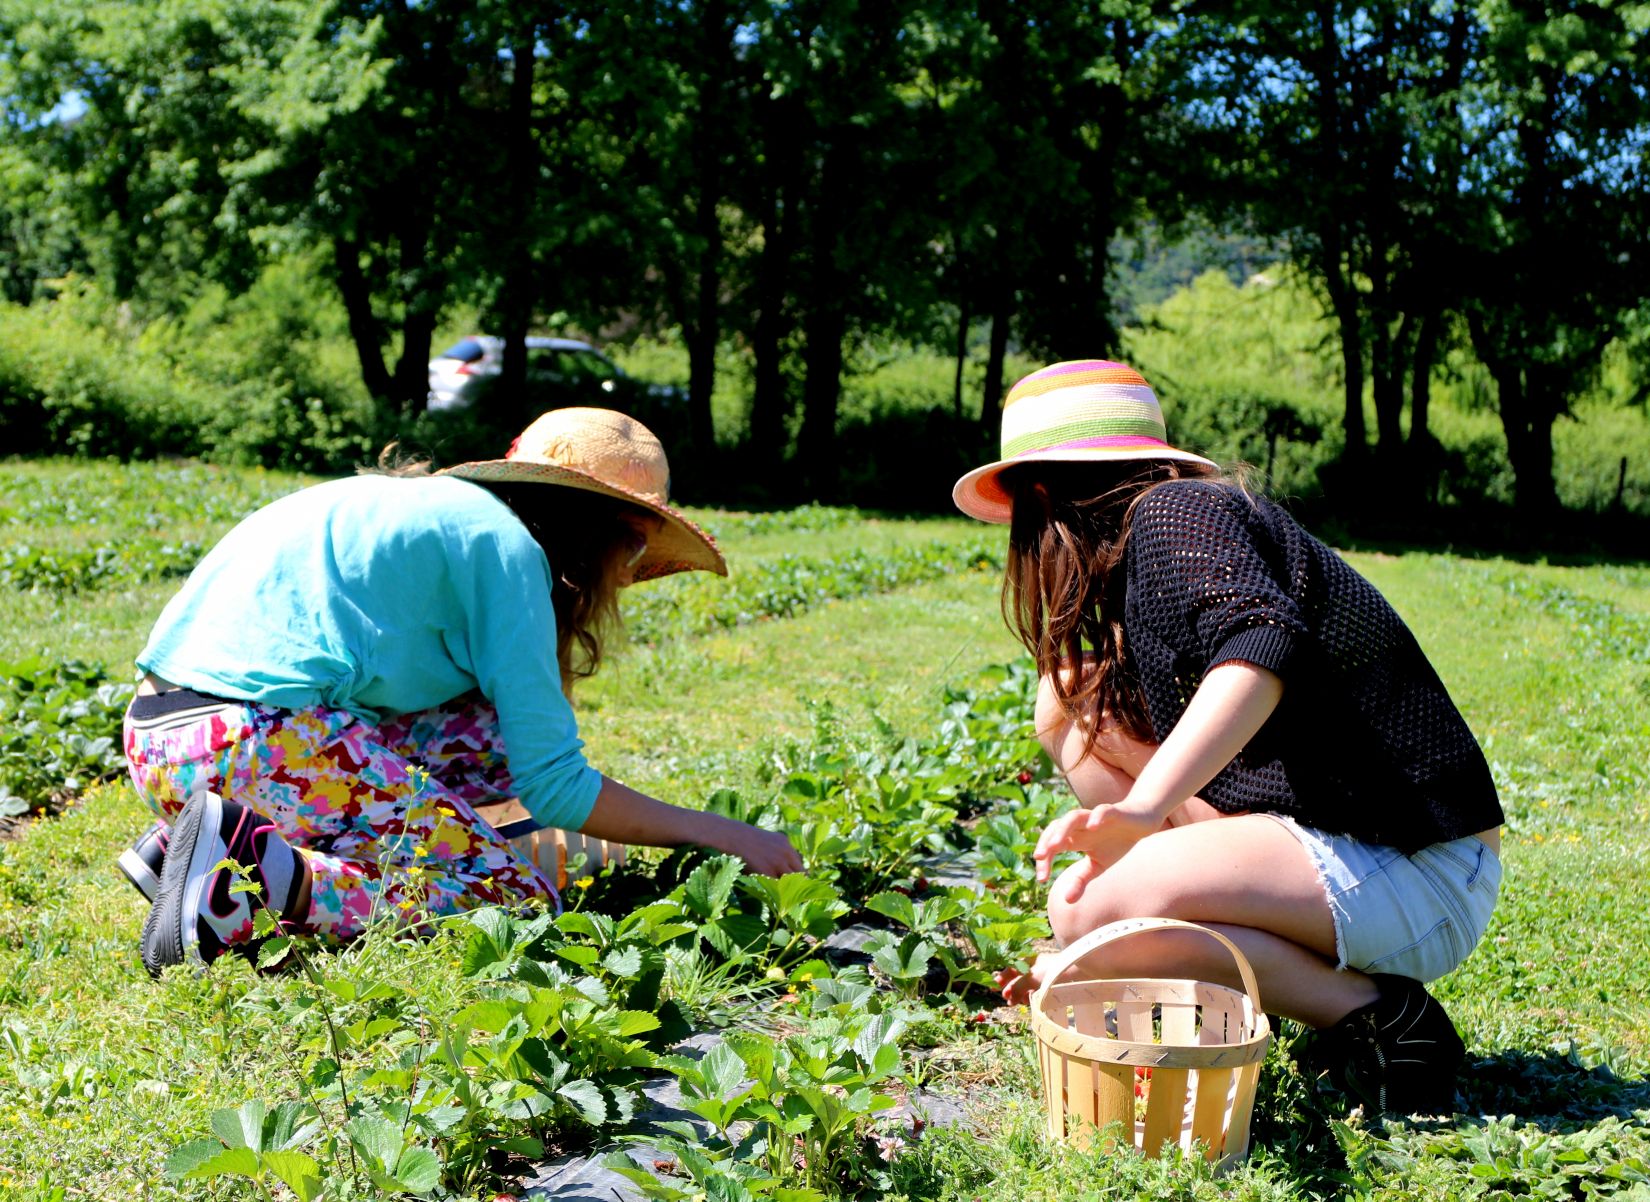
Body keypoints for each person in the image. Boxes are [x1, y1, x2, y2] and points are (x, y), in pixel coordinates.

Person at [953, 361, 1503, 1116]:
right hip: (1346, 855)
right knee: (1070, 698)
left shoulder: (1172, 513)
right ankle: (1216, 957)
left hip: (1419, 869)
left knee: (1089, 916)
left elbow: (1262, 645)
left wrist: (1142, 812)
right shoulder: (1157, 549)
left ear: (1040, 498)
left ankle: (1382, 1020)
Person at [122, 407, 802, 976]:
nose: (627, 578)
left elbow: (512, 759)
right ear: (599, 531)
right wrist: (718, 831)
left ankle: (194, 851)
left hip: (165, 741)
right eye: (635, 552)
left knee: (488, 737)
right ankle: (256, 874)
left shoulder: (441, 518)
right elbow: (557, 788)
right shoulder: (509, 551)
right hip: (257, 739)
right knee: (513, 903)